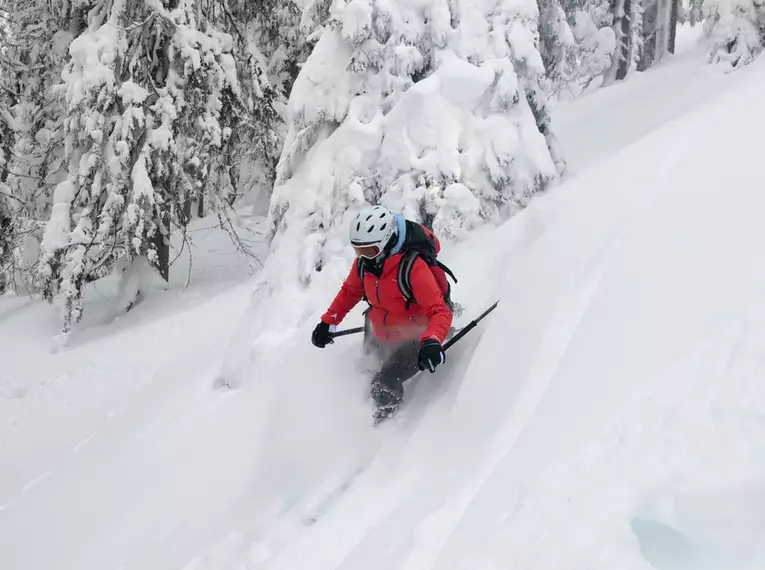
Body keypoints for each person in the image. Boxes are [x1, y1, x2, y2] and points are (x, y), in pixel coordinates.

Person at [311, 205, 454, 423]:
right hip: (381, 329)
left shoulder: (413, 268)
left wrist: (432, 341)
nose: (363, 257)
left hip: (418, 337)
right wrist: (328, 322)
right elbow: (350, 291)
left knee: (385, 381)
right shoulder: (364, 265)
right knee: (364, 372)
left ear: (386, 242)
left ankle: (384, 432)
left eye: (369, 251)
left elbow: (438, 310)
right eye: (358, 251)